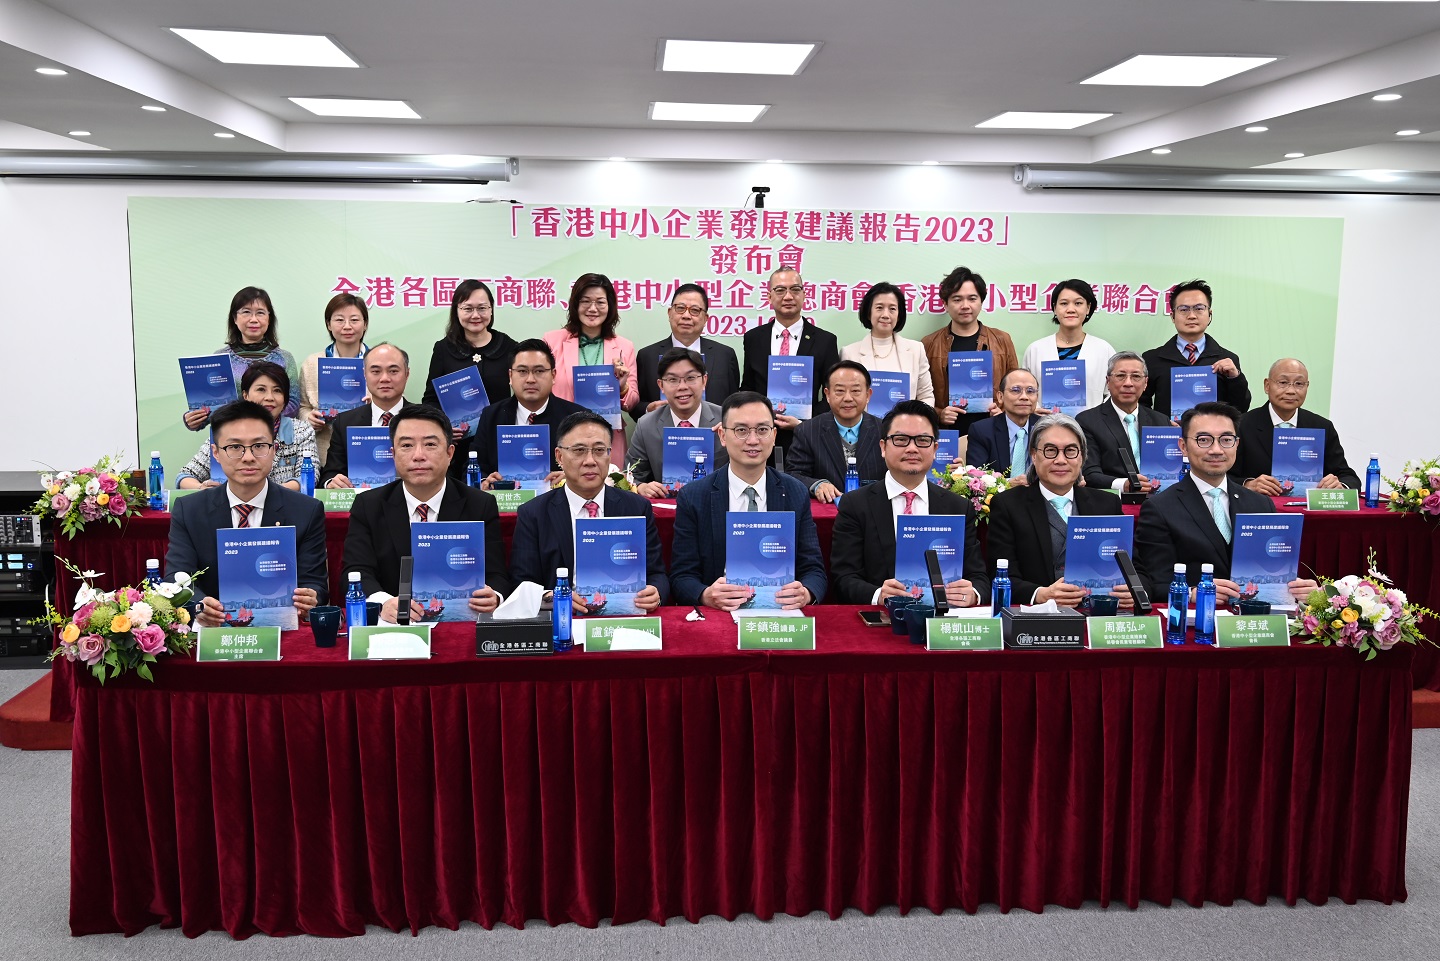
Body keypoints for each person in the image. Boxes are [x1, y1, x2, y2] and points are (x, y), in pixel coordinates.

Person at [342, 405, 515, 623]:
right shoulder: (368, 505)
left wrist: (495, 596)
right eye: (407, 445)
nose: (418, 456)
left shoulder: (479, 504)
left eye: (430, 444)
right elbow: (356, 571)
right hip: (393, 626)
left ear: (450, 453)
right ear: (393, 454)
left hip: (459, 624)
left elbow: (497, 574)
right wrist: (383, 602)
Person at [164, 400, 328, 627]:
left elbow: (316, 583)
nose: (248, 457)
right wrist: (200, 606)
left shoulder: (306, 510)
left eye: (259, 446)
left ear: (274, 449)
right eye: (235, 447)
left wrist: (311, 596)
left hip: (282, 630)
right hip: (214, 631)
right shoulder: (189, 510)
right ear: (216, 453)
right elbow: (177, 578)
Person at [1135, 402, 1318, 603]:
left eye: (1226, 440)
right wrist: (1192, 593)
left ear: (1237, 445)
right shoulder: (1160, 508)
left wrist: (1296, 588)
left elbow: (1272, 570)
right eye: (1203, 440)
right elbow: (1155, 583)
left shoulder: (1261, 504)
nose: (1216, 450)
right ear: (1183, 447)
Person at [671, 392, 828, 610]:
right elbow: (681, 576)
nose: (753, 440)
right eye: (741, 430)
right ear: (723, 436)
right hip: (720, 612)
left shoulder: (794, 492)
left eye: (762, 430)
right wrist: (706, 595)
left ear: (774, 435)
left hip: (780, 610)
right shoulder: (694, 496)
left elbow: (814, 570)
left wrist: (806, 593)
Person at [829, 400, 989, 607]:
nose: (912, 448)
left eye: (922, 440)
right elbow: (843, 577)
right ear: (883, 447)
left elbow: (979, 577)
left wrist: (973, 593)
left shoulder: (958, 507)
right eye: (901, 440)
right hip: (882, 617)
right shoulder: (855, 505)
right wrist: (878, 595)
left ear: (935, 448)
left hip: (941, 618)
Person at [510, 411, 668, 612]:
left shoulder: (636, 508)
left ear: (610, 455)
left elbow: (657, 574)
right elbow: (521, 582)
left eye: (599, 450)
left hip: (622, 616)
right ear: (559, 456)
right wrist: (553, 598)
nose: (590, 461)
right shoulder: (534, 513)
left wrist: (655, 592)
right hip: (563, 617)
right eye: (579, 450)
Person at [986, 413, 1133, 608]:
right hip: (1040, 615)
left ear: (1082, 456)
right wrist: (1040, 594)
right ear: (1033, 455)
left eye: (1070, 451)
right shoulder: (1008, 505)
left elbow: (1137, 570)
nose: (1061, 460)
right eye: (1050, 451)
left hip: (1099, 614)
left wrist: (1133, 589)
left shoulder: (1107, 504)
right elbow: (1000, 575)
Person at [543, 273, 640, 461]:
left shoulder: (624, 346)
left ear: (610, 306)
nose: (593, 308)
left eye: (600, 302)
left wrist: (622, 386)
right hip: (564, 434)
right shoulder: (552, 341)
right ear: (575, 305)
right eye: (585, 301)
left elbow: (632, 402)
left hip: (607, 438)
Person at [178, 362, 317, 491]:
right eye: (261, 389)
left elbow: (309, 477)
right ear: (245, 395)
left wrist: (267, 494)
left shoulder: (302, 431)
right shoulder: (227, 429)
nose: (269, 397)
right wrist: (202, 488)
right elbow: (185, 475)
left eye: (277, 390)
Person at [1230, 358, 1360, 492]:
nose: (1291, 391)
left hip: (1306, 504)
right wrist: (1247, 485)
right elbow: (1223, 475)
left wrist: (1339, 485)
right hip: (1259, 503)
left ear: (1307, 387)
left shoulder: (1321, 426)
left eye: (1299, 384)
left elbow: (1348, 477)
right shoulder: (1241, 425)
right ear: (1267, 385)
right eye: (1283, 382)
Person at [183, 286, 301, 432]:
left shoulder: (284, 358)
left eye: (260, 313)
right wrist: (194, 419)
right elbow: (211, 406)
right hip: (229, 436)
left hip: (274, 435)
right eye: (246, 312)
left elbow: (293, 404)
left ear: (269, 318)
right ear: (235, 318)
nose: (254, 319)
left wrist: (258, 424)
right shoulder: (219, 358)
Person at [740, 267, 840, 437]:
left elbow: (832, 392)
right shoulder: (754, 338)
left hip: (807, 435)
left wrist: (804, 424)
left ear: (804, 295)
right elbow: (748, 387)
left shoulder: (825, 341)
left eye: (795, 289)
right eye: (780, 290)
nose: (788, 296)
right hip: (761, 433)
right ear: (769, 296)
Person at [473, 339, 588, 487]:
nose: (530, 379)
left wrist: (570, 478)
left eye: (539, 371)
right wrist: (483, 482)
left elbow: (590, 465)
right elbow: (475, 466)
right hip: (505, 499)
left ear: (553, 375)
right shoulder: (491, 415)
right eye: (522, 371)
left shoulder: (577, 417)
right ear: (510, 376)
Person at [920, 266, 1019, 434]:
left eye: (972, 299)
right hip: (947, 434)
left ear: (981, 301)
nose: (965, 306)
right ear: (945, 304)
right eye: (957, 299)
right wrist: (939, 414)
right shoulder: (929, 343)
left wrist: (1003, 412)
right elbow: (919, 395)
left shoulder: (1002, 340)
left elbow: (1015, 387)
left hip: (992, 432)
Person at [1140, 279, 1250, 418]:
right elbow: (1140, 404)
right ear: (1172, 316)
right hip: (1168, 431)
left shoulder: (1227, 359)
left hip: (1212, 431)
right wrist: (1161, 423)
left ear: (1209, 314)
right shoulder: (1152, 359)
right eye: (1183, 309)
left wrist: (1235, 378)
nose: (1191, 316)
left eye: (1199, 308)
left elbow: (1240, 409)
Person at [628, 348, 728, 498]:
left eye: (690, 378)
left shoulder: (727, 420)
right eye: (673, 380)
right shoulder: (646, 425)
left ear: (704, 381)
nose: (682, 387)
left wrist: (734, 441)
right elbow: (630, 475)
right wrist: (641, 487)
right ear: (661, 385)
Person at [631, 283, 740, 417]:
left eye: (695, 310)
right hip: (662, 430)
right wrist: (648, 410)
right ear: (670, 313)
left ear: (705, 318)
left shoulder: (725, 355)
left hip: (714, 430)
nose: (686, 316)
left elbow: (735, 404)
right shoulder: (647, 356)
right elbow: (635, 405)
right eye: (680, 308)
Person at [785, 360, 885, 503]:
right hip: (827, 511)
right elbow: (793, 474)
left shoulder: (884, 430)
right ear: (827, 394)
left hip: (873, 510)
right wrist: (816, 485)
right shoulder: (807, 431)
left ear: (868, 395)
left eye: (855, 391)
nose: (848, 398)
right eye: (840, 391)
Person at [319, 343, 416, 489]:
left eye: (393, 371)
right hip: (362, 501)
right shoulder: (345, 422)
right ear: (364, 374)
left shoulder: (427, 420)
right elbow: (331, 473)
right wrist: (332, 483)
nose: (384, 378)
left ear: (407, 374)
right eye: (376, 371)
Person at [1076, 351, 1172, 492]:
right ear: (1108, 381)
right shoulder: (1087, 421)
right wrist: (1123, 484)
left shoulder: (1161, 421)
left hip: (1157, 498)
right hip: (1114, 499)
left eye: (1136, 376)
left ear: (1145, 383)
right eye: (1120, 376)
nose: (1128, 383)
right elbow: (1090, 473)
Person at [1020, 280, 1115, 411]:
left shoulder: (1104, 349)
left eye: (1078, 303)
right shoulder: (1035, 349)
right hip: (1044, 422)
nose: (1070, 309)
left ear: (1088, 308)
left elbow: (1113, 392)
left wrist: (1098, 416)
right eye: (1064, 303)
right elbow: (1024, 389)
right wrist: (1034, 409)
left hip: (1091, 423)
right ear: (1055, 308)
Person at [298, 292, 370, 466]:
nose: (347, 326)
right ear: (329, 324)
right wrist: (308, 418)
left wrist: (377, 404)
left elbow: (396, 403)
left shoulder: (379, 362)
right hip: (324, 454)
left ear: (365, 324)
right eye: (339, 320)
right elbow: (302, 406)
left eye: (354, 320)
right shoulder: (312, 363)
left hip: (368, 453)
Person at [839, 281, 935, 406]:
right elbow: (845, 397)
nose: (885, 315)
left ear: (899, 315)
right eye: (879, 308)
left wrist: (915, 417)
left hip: (906, 419)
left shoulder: (916, 350)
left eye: (892, 309)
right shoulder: (849, 353)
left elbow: (926, 396)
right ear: (868, 312)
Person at [966, 369, 1042, 482]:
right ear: (1000, 397)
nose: (1024, 397)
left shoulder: (1046, 428)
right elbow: (976, 478)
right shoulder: (981, 431)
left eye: (1030, 391)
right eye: (1016, 390)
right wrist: (1008, 484)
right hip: (1000, 493)